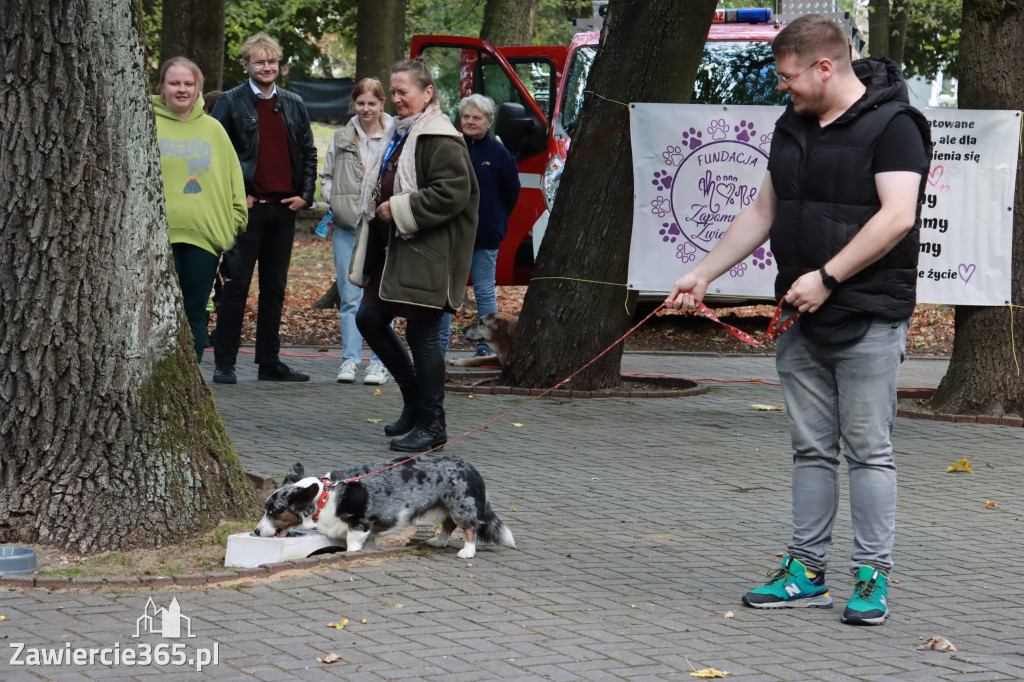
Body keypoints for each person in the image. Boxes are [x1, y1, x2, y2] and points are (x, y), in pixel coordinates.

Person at [666, 14, 930, 626]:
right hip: (800, 316)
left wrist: (829, 277)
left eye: (788, 77)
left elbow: (896, 217)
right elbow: (763, 210)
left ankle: (871, 577)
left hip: (867, 314)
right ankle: (805, 572)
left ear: (825, 66)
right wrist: (704, 273)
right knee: (811, 451)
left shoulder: (896, 127)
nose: (782, 88)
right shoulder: (792, 125)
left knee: (868, 451)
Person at [352, 59, 479, 452]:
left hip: (428, 255)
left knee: (423, 336)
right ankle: (413, 403)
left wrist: (401, 207)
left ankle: (432, 425)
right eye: (394, 91)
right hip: (396, 255)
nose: (396, 98)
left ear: (427, 94)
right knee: (369, 318)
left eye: (403, 91)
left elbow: (453, 193)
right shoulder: (402, 133)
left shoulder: (439, 136)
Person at [209, 33, 318, 384]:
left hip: (284, 211)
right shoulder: (230, 101)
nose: (267, 67)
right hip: (247, 211)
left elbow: (309, 152)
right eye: (259, 61)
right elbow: (216, 157)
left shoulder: (293, 103)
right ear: (246, 65)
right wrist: (237, 196)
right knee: (236, 286)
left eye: (272, 61)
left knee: (275, 288)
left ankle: (269, 363)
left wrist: (305, 194)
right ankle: (225, 362)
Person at [152, 58, 246, 363]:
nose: (182, 90)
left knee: (194, 312)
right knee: (154, 314)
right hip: (153, 240)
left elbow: (233, 178)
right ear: (162, 87)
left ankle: (189, 383)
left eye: (188, 84)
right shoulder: (145, 122)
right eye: (174, 83)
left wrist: (234, 223)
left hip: (203, 240)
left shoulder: (213, 130)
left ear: (198, 89)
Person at [319, 78, 393, 385]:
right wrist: (335, 202)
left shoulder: (395, 136)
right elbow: (327, 177)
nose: (366, 109)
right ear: (354, 104)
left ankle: (379, 362)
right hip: (348, 227)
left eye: (372, 104)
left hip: (383, 228)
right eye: (360, 103)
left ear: (381, 105)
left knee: (380, 297)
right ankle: (350, 360)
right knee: (349, 297)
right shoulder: (341, 137)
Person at [439, 94, 520, 358]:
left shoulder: (500, 154)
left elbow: (511, 193)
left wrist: (494, 218)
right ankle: (438, 346)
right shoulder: (451, 147)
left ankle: (485, 347)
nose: (470, 121)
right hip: (451, 234)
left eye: (477, 117)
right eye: (466, 117)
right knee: (446, 293)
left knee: (484, 291)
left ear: (489, 121)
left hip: (484, 236)